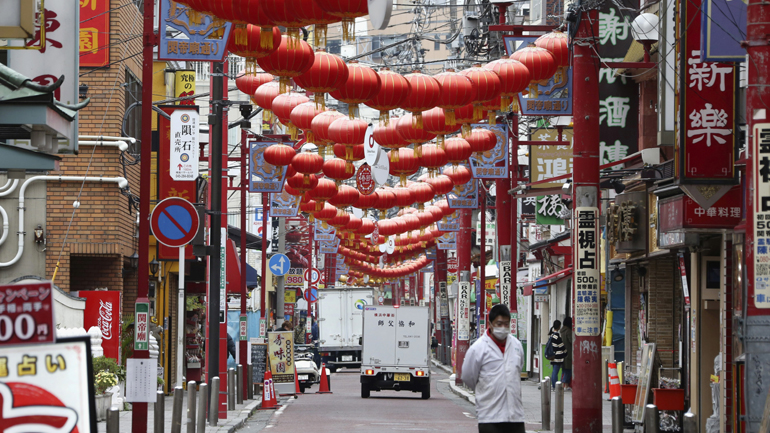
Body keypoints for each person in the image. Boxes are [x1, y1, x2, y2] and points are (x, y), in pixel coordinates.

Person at [461, 304, 526, 433]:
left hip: (515, 416)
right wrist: (485, 389)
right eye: (499, 323)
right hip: (489, 417)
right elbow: (468, 377)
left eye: (506, 324)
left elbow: (518, 369)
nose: (503, 327)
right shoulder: (478, 348)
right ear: (490, 324)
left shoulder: (516, 345)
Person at [548, 320, 566, 389]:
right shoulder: (556, 336)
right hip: (558, 357)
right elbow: (561, 346)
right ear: (559, 326)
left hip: (552, 355)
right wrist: (565, 351)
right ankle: (555, 385)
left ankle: (554, 385)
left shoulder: (551, 335)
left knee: (554, 371)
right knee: (555, 371)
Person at [559, 317, 573, 390]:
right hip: (568, 353)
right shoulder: (568, 331)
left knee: (564, 369)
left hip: (562, 353)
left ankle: (562, 384)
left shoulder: (561, 331)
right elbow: (572, 341)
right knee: (568, 369)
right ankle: (566, 385)